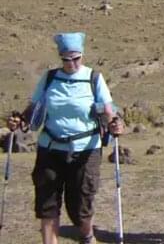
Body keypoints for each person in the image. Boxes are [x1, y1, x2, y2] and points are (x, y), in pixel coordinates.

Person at [5, 32, 125, 244]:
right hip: (50, 148)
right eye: (66, 59)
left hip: (86, 150)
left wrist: (115, 122)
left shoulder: (93, 78)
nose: (71, 64)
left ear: (82, 55)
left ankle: (87, 236)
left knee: (80, 205)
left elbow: (108, 109)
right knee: (47, 204)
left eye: (76, 58)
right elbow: (33, 108)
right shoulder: (50, 78)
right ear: (61, 58)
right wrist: (19, 120)